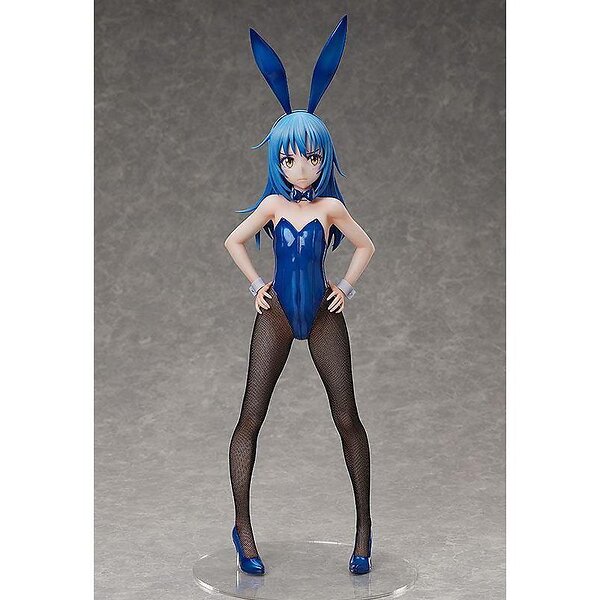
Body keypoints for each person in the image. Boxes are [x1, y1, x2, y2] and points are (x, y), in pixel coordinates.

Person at [224, 15, 376, 575]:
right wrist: (256, 285)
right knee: (250, 418)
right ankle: (242, 528)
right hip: (279, 315)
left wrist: (347, 288)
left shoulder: (331, 208)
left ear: (324, 156)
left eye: (310, 157)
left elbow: (366, 246)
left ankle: (364, 527)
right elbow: (233, 240)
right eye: (289, 158)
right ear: (278, 160)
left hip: (322, 312)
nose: (301, 167)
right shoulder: (271, 206)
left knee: (348, 418)